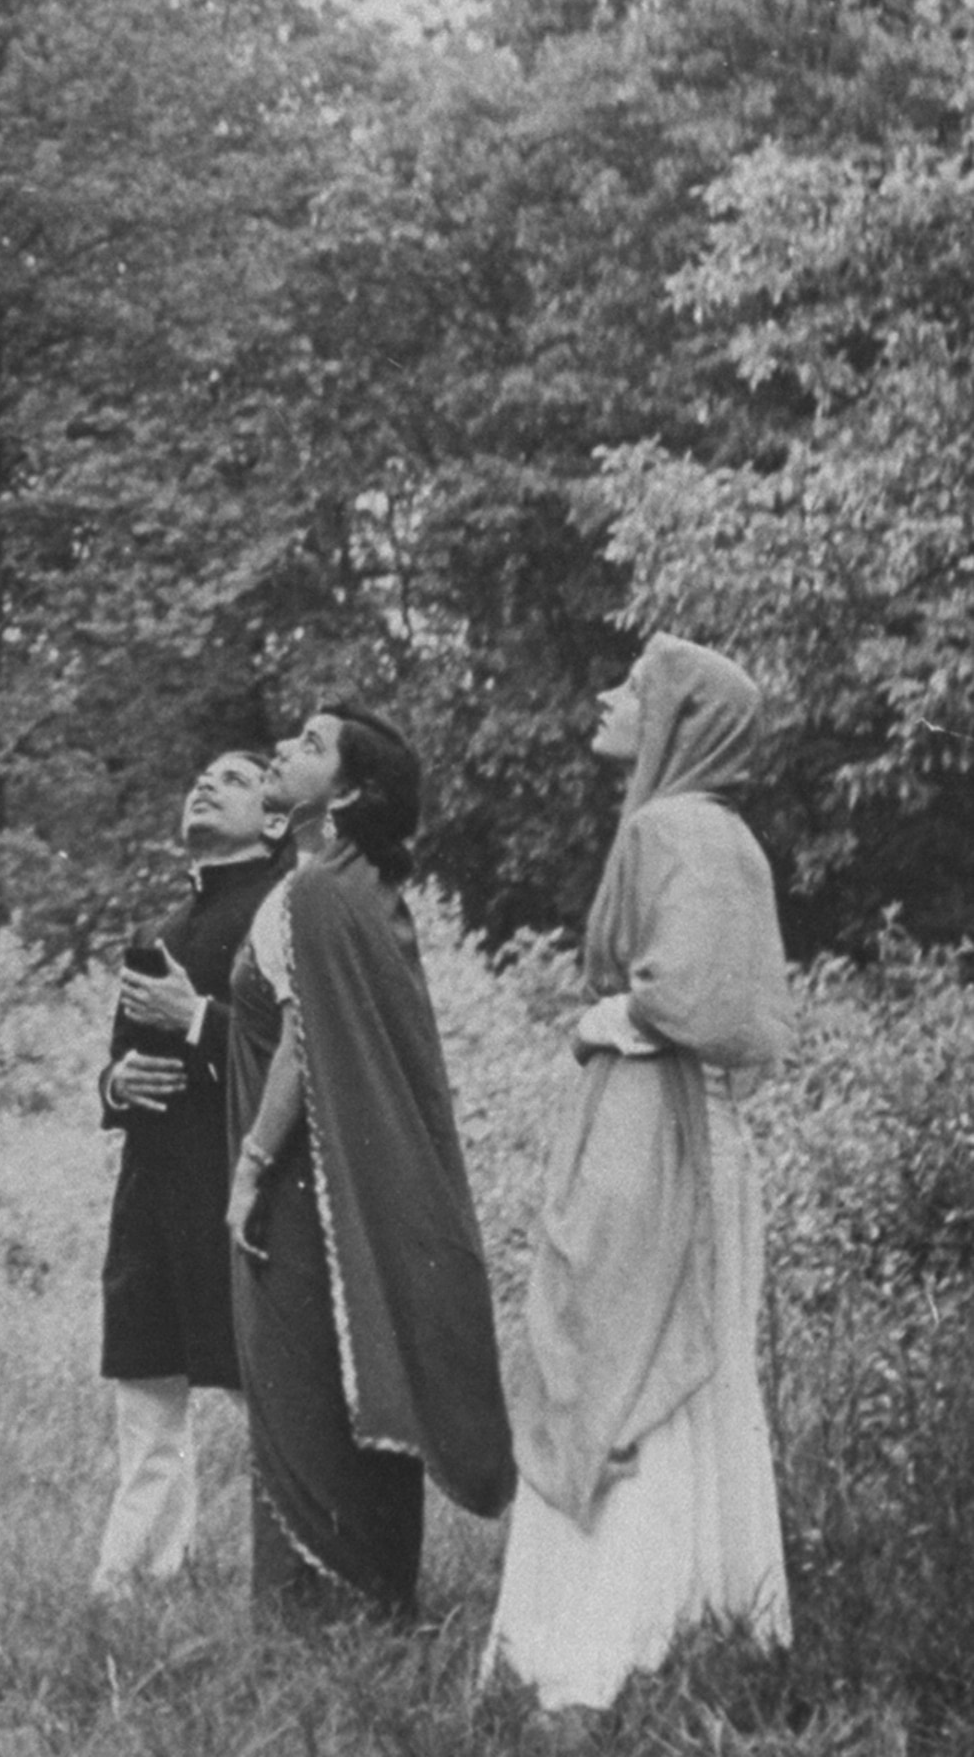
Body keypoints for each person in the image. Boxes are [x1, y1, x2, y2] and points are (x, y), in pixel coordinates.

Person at [486, 636, 795, 1711]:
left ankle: (617, 1634)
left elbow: (711, 1003)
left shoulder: (678, 826)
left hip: (660, 1131)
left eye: (632, 688)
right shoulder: (705, 830)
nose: (609, 697)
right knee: (672, 1356)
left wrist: (605, 1014)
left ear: (676, 720)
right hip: (680, 1130)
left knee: (628, 1347)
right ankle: (692, 1623)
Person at [224, 701, 514, 1617]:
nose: (284, 748)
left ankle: (324, 1612)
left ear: (349, 790)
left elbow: (305, 1043)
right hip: (332, 1173)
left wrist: (251, 1163)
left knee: (310, 1374)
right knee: (336, 1367)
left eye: (310, 746)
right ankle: (367, 1601)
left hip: (308, 1178)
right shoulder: (342, 886)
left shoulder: (323, 894)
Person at [89, 747, 292, 1596]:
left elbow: (301, 1056)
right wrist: (116, 1084)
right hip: (150, 1196)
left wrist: (199, 1018)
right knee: (146, 1394)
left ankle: (302, 1573)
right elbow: (117, 1066)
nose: (205, 782)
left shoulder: (284, 917)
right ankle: (135, 1575)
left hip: (246, 1190)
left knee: (268, 1392)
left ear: (276, 822)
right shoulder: (157, 934)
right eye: (199, 775)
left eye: (235, 780)